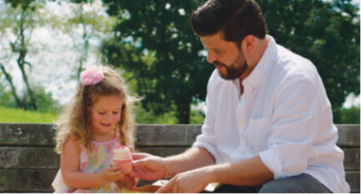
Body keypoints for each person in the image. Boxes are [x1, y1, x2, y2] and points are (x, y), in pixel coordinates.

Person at [130, 0, 350, 193]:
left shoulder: (295, 78)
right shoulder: (220, 78)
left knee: (277, 192)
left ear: (249, 43)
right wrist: (165, 166)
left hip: (310, 180)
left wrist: (207, 175)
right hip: (249, 182)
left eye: (218, 51)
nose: (209, 58)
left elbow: (282, 163)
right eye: (207, 49)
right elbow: (211, 148)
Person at [52, 65, 139, 193]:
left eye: (115, 112)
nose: (109, 119)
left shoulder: (123, 138)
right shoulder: (75, 138)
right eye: (102, 112)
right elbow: (69, 177)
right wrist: (102, 178)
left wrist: (129, 179)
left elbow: (127, 179)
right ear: (85, 109)